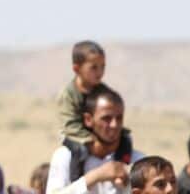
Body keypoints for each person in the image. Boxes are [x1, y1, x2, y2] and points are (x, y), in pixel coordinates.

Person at [56, 41, 133, 182]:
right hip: (75, 135)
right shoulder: (68, 94)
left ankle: (122, 171)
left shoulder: (102, 90)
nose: (100, 72)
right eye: (94, 68)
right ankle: (77, 182)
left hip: (99, 133)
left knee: (126, 139)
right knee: (80, 151)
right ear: (77, 69)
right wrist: (92, 142)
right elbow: (69, 125)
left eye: (103, 67)